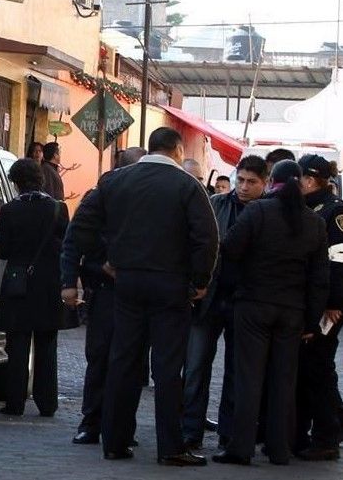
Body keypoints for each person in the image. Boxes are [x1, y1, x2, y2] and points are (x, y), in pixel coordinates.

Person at [66, 127, 218, 466]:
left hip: (127, 281)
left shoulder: (115, 181)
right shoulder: (188, 186)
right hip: (170, 284)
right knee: (167, 367)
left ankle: (115, 442)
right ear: (178, 150)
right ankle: (170, 446)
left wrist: (105, 261)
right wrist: (200, 280)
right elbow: (206, 238)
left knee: (123, 360)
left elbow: (80, 229)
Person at [213, 160, 330, 466]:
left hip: (253, 305)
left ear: (272, 181)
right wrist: (311, 321)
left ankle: (241, 447)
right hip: (292, 311)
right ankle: (279, 448)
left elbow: (231, 249)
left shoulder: (257, 212)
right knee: (284, 381)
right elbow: (320, 277)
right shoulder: (314, 222)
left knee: (249, 378)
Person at [181, 156, 268, 451]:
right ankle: (190, 429)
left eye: (251, 182)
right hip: (210, 297)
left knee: (236, 370)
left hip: (245, 301)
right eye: (241, 180)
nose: (243, 187)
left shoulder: (267, 212)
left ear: (264, 183)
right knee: (196, 367)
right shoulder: (217, 204)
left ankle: (229, 433)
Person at [62, 146, 145, 445]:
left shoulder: (146, 199)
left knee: (132, 362)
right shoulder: (100, 197)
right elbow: (74, 241)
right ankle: (92, 421)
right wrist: (71, 281)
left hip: (135, 289)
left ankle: (122, 426)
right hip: (104, 289)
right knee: (100, 358)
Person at [0, 158, 69, 417]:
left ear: (16, 182)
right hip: (49, 284)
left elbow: (2, 251)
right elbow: (65, 247)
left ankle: (15, 402)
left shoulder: (11, 210)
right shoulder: (58, 209)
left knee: (17, 345)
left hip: (19, 284)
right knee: (47, 345)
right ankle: (47, 402)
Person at [294, 154, 343, 461]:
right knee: (313, 368)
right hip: (312, 304)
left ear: (310, 181)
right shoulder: (311, 209)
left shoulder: (334, 213)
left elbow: (339, 260)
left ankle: (326, 436)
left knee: (318, 369)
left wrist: (334, 304)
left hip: (326, 309)